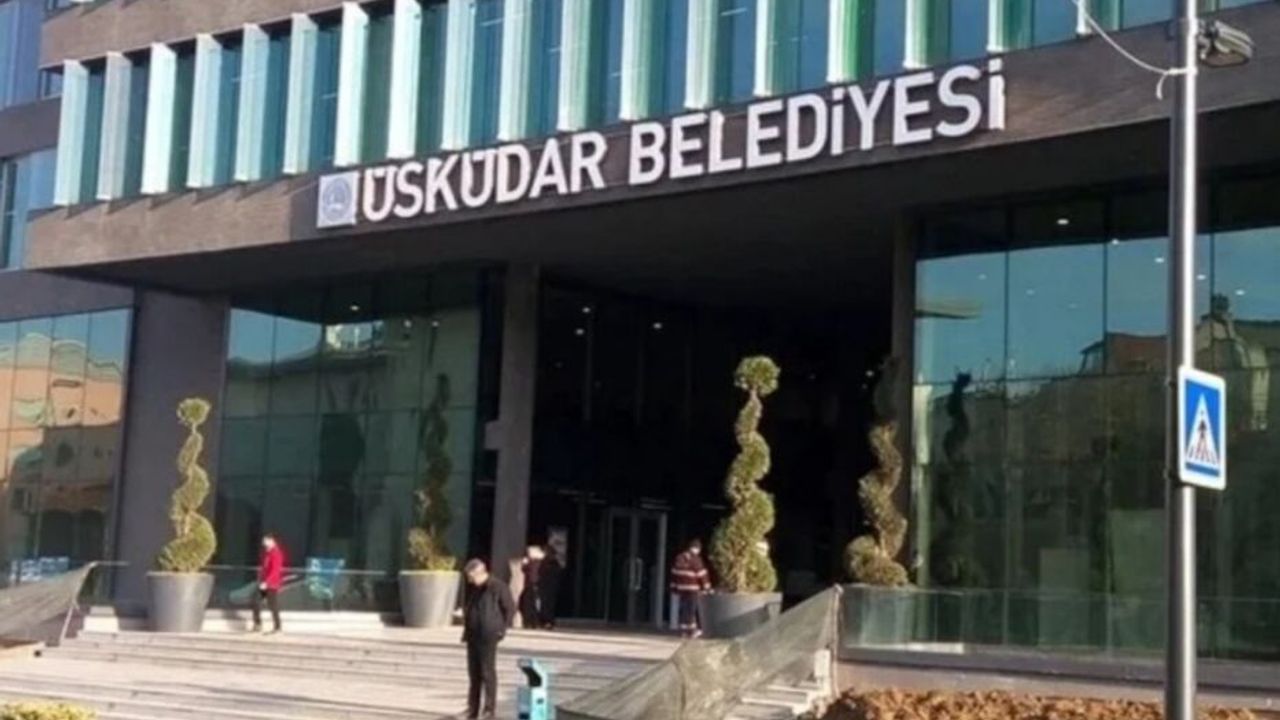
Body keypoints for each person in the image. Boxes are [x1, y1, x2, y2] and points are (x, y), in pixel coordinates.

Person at [462, 559, 516, 719]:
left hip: (488, 634)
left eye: (472, 577)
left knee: (487, 672)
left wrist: (501, 629)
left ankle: (489, 709)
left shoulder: (497, 587)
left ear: (480, 573)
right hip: (473, 635)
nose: (470, 580)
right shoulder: (475, 590)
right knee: (474, 674)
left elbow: (509, 608)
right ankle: (472, 708)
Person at [670, 539, 711, 638]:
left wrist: (674, 588)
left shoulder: (679, 558)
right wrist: (707, 588)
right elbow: (702, 574)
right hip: (693, 588)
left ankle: (683, 630)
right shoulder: (696, 559)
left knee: (684, 609)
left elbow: (674, 573)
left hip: (681, 588)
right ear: (697, 549)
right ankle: (691, 631)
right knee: (691, 610)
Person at [252, 533, 285, 635]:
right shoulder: (267, 553)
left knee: (273, 606)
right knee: (256, 601)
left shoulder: (276, 554)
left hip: (271, 585)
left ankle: (278, 627)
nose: (264, 543)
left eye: (265, 541)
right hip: (264, 583)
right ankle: (258, 624)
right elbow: (264, 568)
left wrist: (267, 582)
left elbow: (275, 570)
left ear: (272, 541)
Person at [518, 546, 544, 629]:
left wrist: (525, 563)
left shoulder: (536, 563)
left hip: (533, 585)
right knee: (528, 603)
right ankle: (530, 621)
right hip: (531, 585)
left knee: (532, 604)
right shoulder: (535, 562)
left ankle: (532, 621)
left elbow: (526, 570)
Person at [538, 544, 563, 630]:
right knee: (544, 604)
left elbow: (555, 575)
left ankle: (548, 621)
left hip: (550, 587)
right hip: (545, 586)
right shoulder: (544, 562)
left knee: (549, 604)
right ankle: (544, 621)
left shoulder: (553, 564)